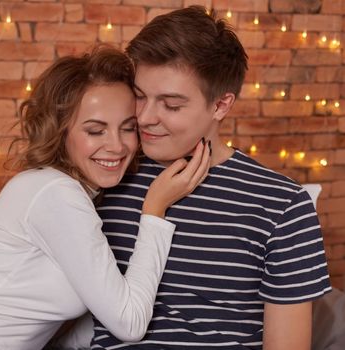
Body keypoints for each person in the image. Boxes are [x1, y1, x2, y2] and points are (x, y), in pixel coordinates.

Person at [0, 46, 211, 350]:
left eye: (127, 127)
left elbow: (65, 325)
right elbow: (129, 323)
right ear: (61, 132)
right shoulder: (54, 192)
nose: (117, 146)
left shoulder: (73, 198)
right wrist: (154, 210)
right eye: (95, 130)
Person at [90, 6, 331, 350]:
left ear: (221, 105)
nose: (144, 118)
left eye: (171, 105)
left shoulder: (283, 206)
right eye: (140, 97)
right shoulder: (106, 175)